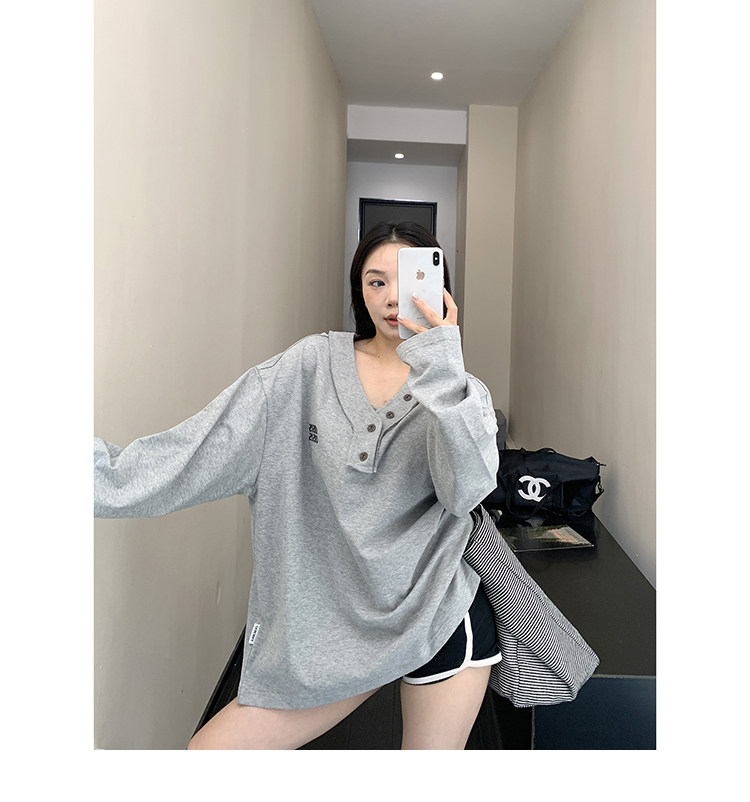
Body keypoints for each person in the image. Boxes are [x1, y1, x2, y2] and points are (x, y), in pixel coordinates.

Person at [94, 220, 502, 749]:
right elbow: (194, 452)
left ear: (438, 285)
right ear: (359, 289)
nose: (392, 298)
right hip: (336, 628)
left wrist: (442, 366)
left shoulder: (461, 391)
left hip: (438, 609)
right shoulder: (307, 368)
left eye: (409, 280)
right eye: (376, 281)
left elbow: (465, 492)